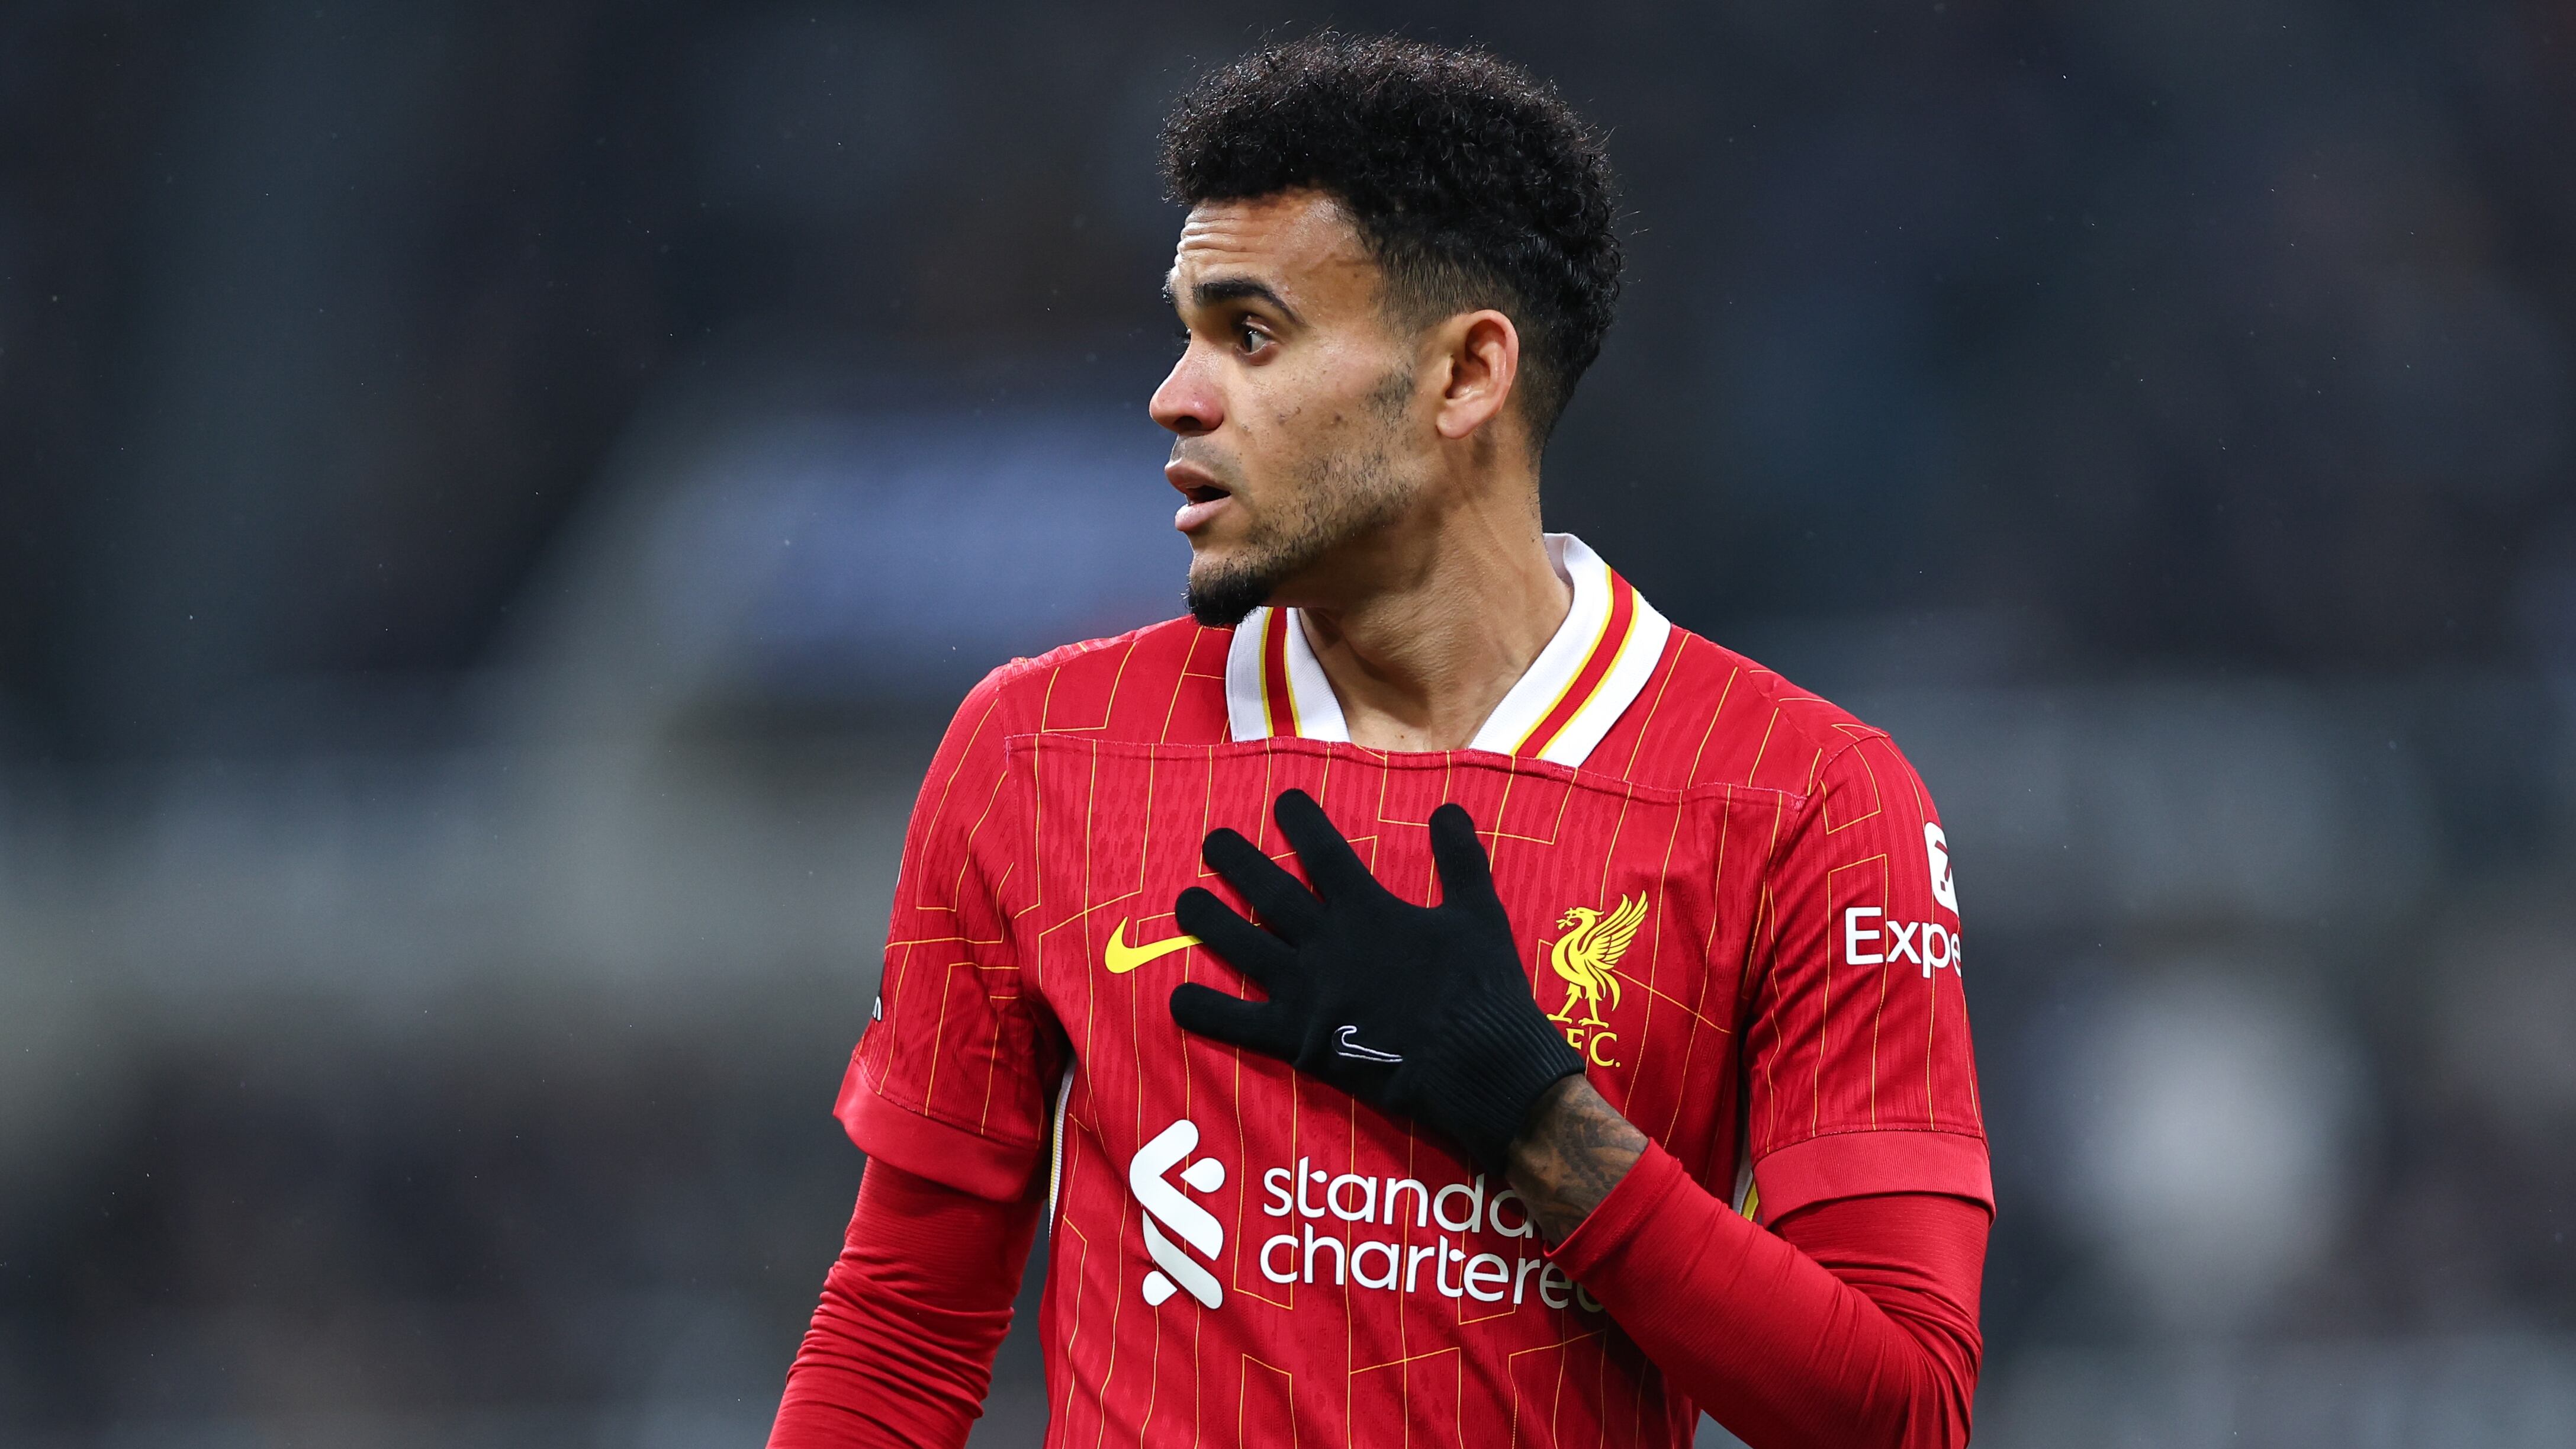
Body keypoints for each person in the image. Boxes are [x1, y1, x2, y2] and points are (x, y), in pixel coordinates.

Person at [770, 32, 1988, 1449]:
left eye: (1252, 334)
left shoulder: (1802, 798)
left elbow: (1900, 1413)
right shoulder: (1039, 750)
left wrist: (1528, 1112)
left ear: (1465, 375)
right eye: (1182, 328)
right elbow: (896, 1336)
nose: (1175, 393)